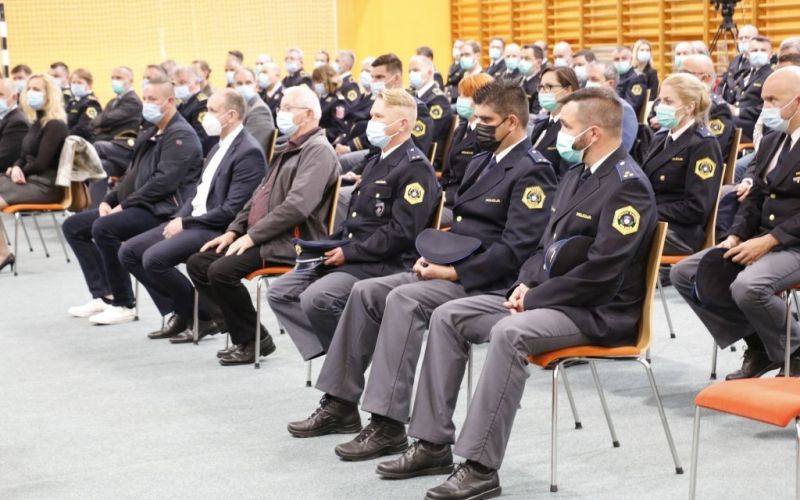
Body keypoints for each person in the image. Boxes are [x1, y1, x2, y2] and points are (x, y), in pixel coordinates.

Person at [377, 87, 658, 500]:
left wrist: (536, 298)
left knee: (510, 334)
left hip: (597, 311)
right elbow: (542, 248)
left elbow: (602, 273)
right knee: (449, 316)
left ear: (593, 133)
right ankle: (433, 443)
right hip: (549, 297)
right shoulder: (578, 174)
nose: (557, 132)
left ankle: (479, 466)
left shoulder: (627, 187)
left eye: (566, 126)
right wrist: (525, 283)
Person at [287, 80, 558, 462]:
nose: (476, 125)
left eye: (485, 119)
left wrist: (454, 274)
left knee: (404, 298)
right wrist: (432, 257)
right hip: (454, 266)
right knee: (366, 292)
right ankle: (341, 401)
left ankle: (387, 423)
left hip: (488, 281)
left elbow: (516, 248)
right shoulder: (484, 160)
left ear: (511, 122)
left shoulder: (532, 171)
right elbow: (463, 229)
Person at [266, 88, 440, 364]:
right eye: (372, 115)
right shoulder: (375, 160)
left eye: (378, 116)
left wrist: (349, 253)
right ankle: (348, 352)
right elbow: (355, 221)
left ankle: (347, 364)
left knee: (316, 298)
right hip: (352, 252)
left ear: (403, 124)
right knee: (280, 292)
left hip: (381, 262)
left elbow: (402, 233)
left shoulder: (415, 168)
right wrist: (325, 246)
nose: (371, 122)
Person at [185, 85, 339, 365]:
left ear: (307, 114)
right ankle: (248, 334)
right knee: (198, 263)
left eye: (287, 109)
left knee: (219, 271)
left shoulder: (318, 151)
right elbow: (257, 197)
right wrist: (234, 231)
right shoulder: (289, 147)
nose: (280, 113)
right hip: (266, 236)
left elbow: (297, 206)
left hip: (293, 241)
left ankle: (251, 341)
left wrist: (252, 236)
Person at [671, 66, 800, 379]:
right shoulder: (772, 141)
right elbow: (755, 198)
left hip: (792, 243)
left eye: (772, 100)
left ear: (796, 102)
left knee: (748, 286)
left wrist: (770, 241)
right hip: (761, 238)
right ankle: (760, 345)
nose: (765, 107)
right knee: (685, 272)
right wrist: (735, 236)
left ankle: (795, 350)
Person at [119, 89, 266, 341]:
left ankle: (201, 316)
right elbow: (198, 193)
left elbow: (231, 211)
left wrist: (185, 222)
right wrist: (180, 217)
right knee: (129, 252)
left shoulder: (248, 152)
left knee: (154, 259)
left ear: (231, 115)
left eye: (212, 111)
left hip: (216, 228)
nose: (205, 116)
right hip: (194, 221)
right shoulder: (218, 146)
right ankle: (186, 311)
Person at [63, 78, 203, 325]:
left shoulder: (181, 135)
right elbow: (132, 174)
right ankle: (103, 294)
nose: (146, 104)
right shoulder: (150, 132)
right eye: (145, 99)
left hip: (165, 210)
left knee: (104, 228)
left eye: (153, 100)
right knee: (74, 226)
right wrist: (109, 199)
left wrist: (124, 206)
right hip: (143, 204)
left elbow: (164, 183)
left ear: (170, 102)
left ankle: (123, 302)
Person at [643, 73, 723, 256]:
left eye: (668, 102)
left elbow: (697, 208)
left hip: (678, 231)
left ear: (689, 107)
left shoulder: (703, 145)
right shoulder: (661, 138)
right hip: (652, 220)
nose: (660, 107)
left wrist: (648, 210)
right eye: (660, 100)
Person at [0, 74, 68, 270]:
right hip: (28, 179)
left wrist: (19, 171)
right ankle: (3, 253)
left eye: (37, 89)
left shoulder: (55, 124)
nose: (31, 93)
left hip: (44, 185)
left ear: (49, 95)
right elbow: (23, 155)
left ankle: (3, 254)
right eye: (29, 88)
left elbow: (41, 163)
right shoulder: (36, 122)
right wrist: (15, 167)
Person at [439, 73, 494, 224]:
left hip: (463, 204)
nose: (460, 100)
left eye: (465, 96)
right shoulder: (461, 130)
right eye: (460, 96)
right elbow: (447, 173)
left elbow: (479, 182)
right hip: (445, 196)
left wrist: (447, 196)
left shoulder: (487, 135)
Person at [90, 66, 143, 204]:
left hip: (126, 151)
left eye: (119, 78)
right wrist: (102, 123)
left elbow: (104, 120)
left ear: (130, 80)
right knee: (101, 166)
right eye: (113, 78)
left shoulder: (133, 101)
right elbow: (98, 123)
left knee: (96, 147)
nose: (115, 81)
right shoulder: (112, 102)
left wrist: (102, 123)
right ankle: (93, 211)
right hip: (113, 151)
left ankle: (79, 176)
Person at [530, 66, 580, 179]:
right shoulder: (541, 125)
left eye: (549, 87)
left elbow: (566, 177)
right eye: (541, 87)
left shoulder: (573, 128)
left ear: (568, 90)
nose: (542, 92)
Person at [681, 54, 735, 159]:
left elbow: (711, 149)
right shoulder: (684, 102)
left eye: (686, 73)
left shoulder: (716, 109)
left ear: (704, 78)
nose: (680, 77)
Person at [409, 54, 453, 166]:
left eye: (416, 70)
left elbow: (428, 135)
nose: (411, 74)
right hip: (412, 151)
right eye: (409, 71)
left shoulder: (438, 100)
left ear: (429, 72)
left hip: (426, 158)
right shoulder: (413, 96)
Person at [585, 62, 638, 153]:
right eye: (588, 79)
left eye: (594, 79)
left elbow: (622, 149)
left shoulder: (623, 109)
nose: (589, 83)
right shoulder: (585, 105)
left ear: (610, 84)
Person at [732, 36, 774, 142]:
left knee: (724, 123)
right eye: (754, 50)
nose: (758, 53)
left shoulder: (771, 76)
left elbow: (768, 107)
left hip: (755, 124)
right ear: (747, 54)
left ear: (771, 54)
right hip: (740, 120)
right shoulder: (744, 74)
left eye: (763, 50)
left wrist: (738, 111)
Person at [173, 65, 216, 155]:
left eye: (183, 83)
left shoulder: (202, 104)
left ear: (196, 82)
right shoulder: (182, 104)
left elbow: (201, 136)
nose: (178, 87)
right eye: (175, 84)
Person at [232, 68, 275, 155]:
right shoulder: (241, 107)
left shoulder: (259, 110)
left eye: (248, 83)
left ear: (256, 86)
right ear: (234, 87)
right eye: (239, 84)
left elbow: (249, 149)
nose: (244, 86)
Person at [718, 25, 759, 104]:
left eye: (747, 38)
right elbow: (723, 83)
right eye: (740, 38)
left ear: (756, 39)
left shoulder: (759, 62)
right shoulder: (735, 60)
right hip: (728, 103)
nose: (743, 41)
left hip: (745, 105)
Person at [312, 64, 348, 143]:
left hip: (326, 142)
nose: (316, 84)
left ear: (327, 80)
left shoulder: (338, 101)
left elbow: (338, 130)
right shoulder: (322, 98)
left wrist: (315, 134)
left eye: (319, 81)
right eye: (315, 81)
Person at [0, 78, 30, 172]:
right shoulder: (4, 117)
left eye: (0, 94)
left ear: (14, 97)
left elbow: (3, 159)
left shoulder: (17, 123)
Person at [65, 68, 102, 141]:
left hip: (82, 142)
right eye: (73, 82)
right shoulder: (72, 102)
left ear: (89, 84)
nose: (75, 85)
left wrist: (64, 136)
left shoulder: (91, 103)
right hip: (69, 139)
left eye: (79, 83)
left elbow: (83, 127)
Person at [612, 46, 647, 117]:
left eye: (624, 58)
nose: (620, 61)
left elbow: (631, 107)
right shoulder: (613, 77)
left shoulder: (637, 79)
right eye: (616, 59)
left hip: (626, 120)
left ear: (631, 59)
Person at [519, 44, 545, 114]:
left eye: (527, 59)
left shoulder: (541, 85)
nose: (522, 62)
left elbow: (536, 115)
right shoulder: (518, 81)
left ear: (539, 62)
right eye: (521, 58)